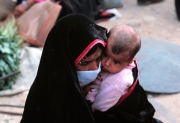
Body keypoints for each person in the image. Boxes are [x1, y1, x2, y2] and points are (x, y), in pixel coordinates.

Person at [20, 14, 161, 123]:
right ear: (66, 61)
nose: (97, 67)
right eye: (84, 62)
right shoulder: (45, 98)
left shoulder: (119, 77)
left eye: (99, 58)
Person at [85, 25, 141, 112]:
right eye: (105, 54)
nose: (106, 63)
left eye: (116, 62)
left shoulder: (119, 81)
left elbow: (101, 105)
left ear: (130, 61)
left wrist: (90, 112)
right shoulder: (122, 59)